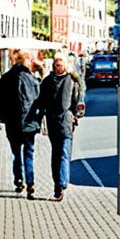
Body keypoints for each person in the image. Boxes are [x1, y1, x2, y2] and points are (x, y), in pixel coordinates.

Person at [35, 51, 85, 201]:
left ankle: (62, 182)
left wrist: (76, 115)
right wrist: (38, 118)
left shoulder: (71, 80)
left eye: (61, 65)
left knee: (64, 152)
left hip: (66, 122)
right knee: (55, 154)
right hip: (52, 121)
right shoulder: (47, 81)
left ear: (65, 65)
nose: (58, 67)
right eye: (56, 65)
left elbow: (78, 99)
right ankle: (58, 185)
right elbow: (41, 101)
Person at [0, 49, 41, 198]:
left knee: (16, 153)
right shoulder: (33, 80)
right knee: (29, 153)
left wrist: (4, 118)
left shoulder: (5, 78)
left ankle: (19, 179)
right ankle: (30, 183)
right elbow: (39, 102)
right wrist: (37, 120)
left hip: (12, 124)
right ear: (27, 61)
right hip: (29, 124)